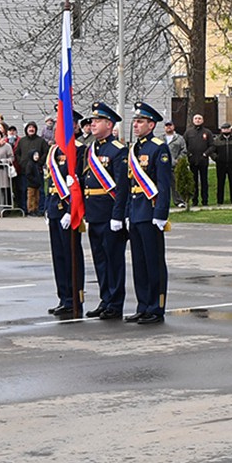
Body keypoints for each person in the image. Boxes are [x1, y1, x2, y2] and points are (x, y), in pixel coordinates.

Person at [80, 102, 131, 320]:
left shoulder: (118, 150)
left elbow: (121, 187)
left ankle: (115, 302)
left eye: (97, 121)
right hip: (94, 213)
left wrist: (118, 215)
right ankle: (105, 298)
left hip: (110, 213)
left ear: (109, 124)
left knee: (113, 260)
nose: (92, 124)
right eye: (92, 121)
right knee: (100, 260)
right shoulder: (93, 149)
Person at [125, 102, 173, 324]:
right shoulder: (134, 149)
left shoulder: (158, 148)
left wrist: (161, 213)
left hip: (151, 212)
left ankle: (156, 306)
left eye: (140, 121)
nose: (136, 125)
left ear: (151, 124)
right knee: (139, 263)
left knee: (153, 262)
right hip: (136, 211)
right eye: (135, 121)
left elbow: (163, 185)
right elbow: (129, 184)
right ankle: (143, 305)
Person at [45, 130, 86, 319]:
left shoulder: (78, 150)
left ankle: (74, 298)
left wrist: (71, 212)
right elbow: (50, 181)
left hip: (68, 209)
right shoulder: (54, 150)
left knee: (71, 256)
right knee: (59, 257)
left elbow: (78, 184)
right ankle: (63, 298)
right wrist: (47, 207)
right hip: (55, 208)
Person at [15, 121, 49, 217]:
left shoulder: (41, 141)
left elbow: (46, 152)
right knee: (25, 191)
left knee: (40, 191)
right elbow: (17, 153)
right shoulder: (22, 141)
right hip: (24, 171)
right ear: (26, 130)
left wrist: (39, 163)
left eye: (33, 127)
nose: (31, 129)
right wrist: (21, 162)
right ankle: (26, 209)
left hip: (37, 171)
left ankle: (40, 209)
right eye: (29, 127)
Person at [184, 112, 215, 206]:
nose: (197, 120)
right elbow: (184, 145)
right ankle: (194, 201)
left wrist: (206, 154)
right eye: (196, 118)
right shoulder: (188, 132)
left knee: (204, 181)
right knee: (194, 182)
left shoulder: (207, 132)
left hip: (203, 160)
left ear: (202, 120)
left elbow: (212, 146)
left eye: (199, 118)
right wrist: (188, 154)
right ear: (193, 120)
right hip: (192, 160)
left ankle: (205, 200)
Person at [212, 124, 232, 205]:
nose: (226, 130)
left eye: (227, 129)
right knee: (220, 183)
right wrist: (216, 158)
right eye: (224, 129)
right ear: (221, 130)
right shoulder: (217, 140)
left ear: (230, 129)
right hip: (220, 164)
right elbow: (212, 151)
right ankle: (220, 201)